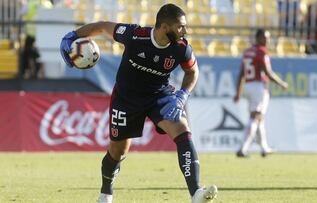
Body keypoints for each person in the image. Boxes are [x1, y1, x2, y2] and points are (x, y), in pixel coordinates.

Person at [60, 3, 217, 203]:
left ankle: (196, 193)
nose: (184, 31)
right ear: (164, 27)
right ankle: (105, 194)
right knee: (118, 151)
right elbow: (101, 26)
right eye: (180, 27)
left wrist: (183, 95)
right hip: (126, 98)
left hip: (159, 96)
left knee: (182, 129)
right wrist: (73, 36)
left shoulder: (182, 48)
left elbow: (193, 72)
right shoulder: (135, 35)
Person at [233, 29, 288, 158]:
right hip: (258, 86)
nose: (267, 41)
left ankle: (264, 148)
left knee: (259, 118)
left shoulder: (247, 52)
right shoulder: (262, 52)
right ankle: (243, 148)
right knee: (255, 117)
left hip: (247, 85)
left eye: (268, 38)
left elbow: (241, 74)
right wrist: (281, 83)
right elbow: (268, 72)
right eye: (265, 38)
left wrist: (238, 92)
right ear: (258, 38)